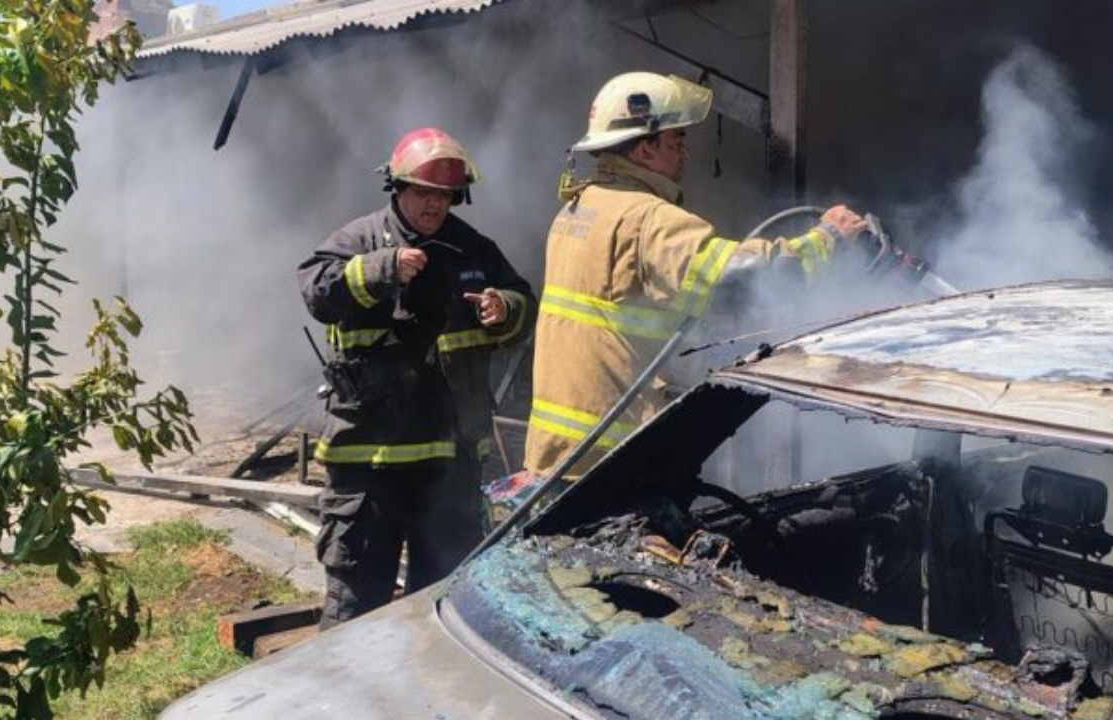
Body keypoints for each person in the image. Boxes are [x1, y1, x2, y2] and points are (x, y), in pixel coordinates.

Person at [524, 72, 867, 480]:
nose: (686, 152)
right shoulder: (648, 219)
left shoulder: (579, 209)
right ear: (645, 148)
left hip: (557, 454)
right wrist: (828, 240)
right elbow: (742, 280)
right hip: (610, 462)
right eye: (677, 140)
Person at [297, 127, 536, 628]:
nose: (434, 205)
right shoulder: (358, 240)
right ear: (398, 189)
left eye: (445, 196)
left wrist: (504, 307)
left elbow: (523, 303)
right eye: (424, 193)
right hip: (368, 465)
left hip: (450, 467)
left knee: (445, 609)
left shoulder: (474, 249)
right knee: (356, 611)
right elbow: (317, 292)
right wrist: (382, 270)